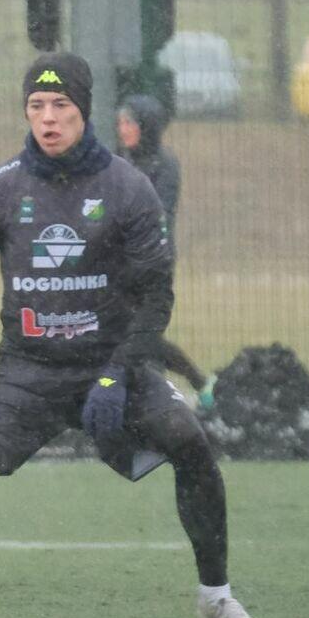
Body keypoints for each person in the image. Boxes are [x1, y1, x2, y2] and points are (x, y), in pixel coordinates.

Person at [0, 52, 270, 618]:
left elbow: (156, 297)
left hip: (111, 366)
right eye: (36, 106)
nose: (48, 118)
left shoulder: (128, 187)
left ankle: (216, 596)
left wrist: (117, 374)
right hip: (27, 371)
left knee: (189, 440)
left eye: (61, 105)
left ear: (83, 112)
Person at [116, 95, 216, 409]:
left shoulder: (164, 164)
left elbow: (158, 213)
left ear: (147, 127)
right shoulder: (119, 160)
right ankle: (177, 386)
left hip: (152, 263)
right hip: (119, 261)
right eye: (121, 122)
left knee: (140, 335)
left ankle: (194, 383)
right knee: (127, 334)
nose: (123, 129)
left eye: (130, 123)